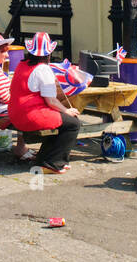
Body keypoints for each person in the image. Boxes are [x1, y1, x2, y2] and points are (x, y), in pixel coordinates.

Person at [6, 31, 81, 174]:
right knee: (73, 123)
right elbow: (51, 101)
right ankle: (53, 162)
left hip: (16, 113)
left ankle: (43, 158)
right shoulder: (43, 69)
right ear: (49, 53)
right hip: (29, 115)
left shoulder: (23, 64)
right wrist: (66, 111)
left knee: (63, 121)